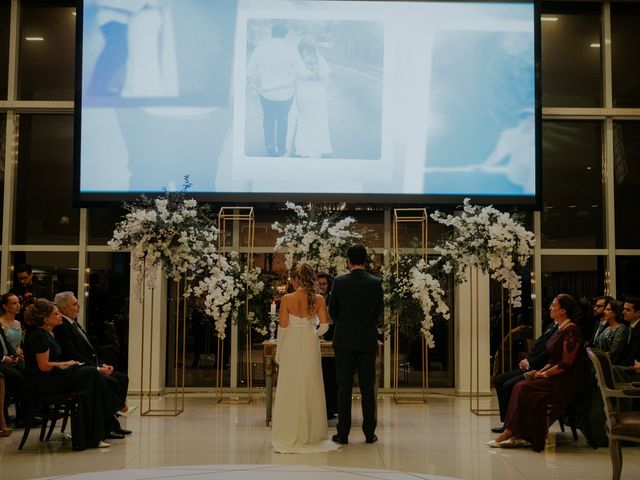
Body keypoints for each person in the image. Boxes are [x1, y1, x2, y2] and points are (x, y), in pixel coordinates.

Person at [488, 294, 586, 452]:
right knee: (520, 385)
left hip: (565, 380)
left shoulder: (571, 331)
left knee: (522, 387)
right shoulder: (559, 329)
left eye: (553, 305)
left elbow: (565, 364)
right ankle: (516, 432)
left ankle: (512, 432)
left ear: (563, 311)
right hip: (555, 374)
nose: (550, 308)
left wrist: (543, 375)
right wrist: (538, 371)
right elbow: (551, 360)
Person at [23, 299, 123, 450]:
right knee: (90, 374)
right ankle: (115, 408)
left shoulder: (48, 333)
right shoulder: (39, 336)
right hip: (45, 381)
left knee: (90, 379)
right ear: (46, 319)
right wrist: (64, 364)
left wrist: (67, 364)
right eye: (56, 314)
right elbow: (43, 366)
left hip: (54, 376)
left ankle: (97, 430)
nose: (60, 316)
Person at [271, 263, 339, 453]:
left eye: (292, 279)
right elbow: (325, 327)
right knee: (310, 385)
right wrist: (313, 334)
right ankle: (311, 434)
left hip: (291, 344)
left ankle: (288, 431)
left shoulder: (287, 298)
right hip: (310, 345)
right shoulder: (318, 299)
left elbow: (282, 328)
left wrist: (279, 350)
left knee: (290, 386)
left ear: (296, 279)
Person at [53, 292, 136, 426]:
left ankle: (112, 420)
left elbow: (90, 350)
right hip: (78, 369)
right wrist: (97, 368)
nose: (79, 306)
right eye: (74, 304)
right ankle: (113, 416)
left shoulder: (74, 323)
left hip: (90, 364)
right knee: (113, 381)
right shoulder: (62, 327)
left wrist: (102, 364)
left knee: (122, 378)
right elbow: (72, 354)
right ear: (63, 309)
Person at [329, 244, 383, 445]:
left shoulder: (339, 282)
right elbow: (378, 311)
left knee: (344, 388)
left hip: (343, 341)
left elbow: (332, 311)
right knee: (368, 388)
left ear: (348, 261)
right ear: (365, 260)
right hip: (367, 340)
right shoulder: (375, 283)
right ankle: (370, 433)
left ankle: (343, 433)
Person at [247, 23, 310, 157]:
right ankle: (281, 147)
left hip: (265, 93)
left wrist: (253, 85)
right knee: (283, 119)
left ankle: (270, 146)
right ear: (286, 35)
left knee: (268, 118)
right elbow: (303, 73)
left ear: (272, 33)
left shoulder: (259, 50)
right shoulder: (291, 51)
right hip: (285, 94)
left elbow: (251, 72)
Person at [491, 320, 558, 433]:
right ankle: (507, 422)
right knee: (499, 380)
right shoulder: (551, 325)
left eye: (554, 305)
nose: (551, 308)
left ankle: (512, 425)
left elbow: (547, 353)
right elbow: (538, 345)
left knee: (508, 385)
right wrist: (527, 359)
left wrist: (530, 363)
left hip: (540, 367)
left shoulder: (560, 329)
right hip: (532, 364)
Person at [582, 298, 628, 447]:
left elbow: (613, 352)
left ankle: (599, 433)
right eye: (606, 309)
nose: (605, 312)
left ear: (615, 313)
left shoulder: (621, 329)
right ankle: (590, 429)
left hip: (606, 368)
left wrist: (598, 363)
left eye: (608, 310)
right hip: (596, 366)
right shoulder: (607, 328)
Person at [294, 35, 332, 158]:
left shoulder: (297, 61)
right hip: (317, 94)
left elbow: (293, 79)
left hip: (303, 93)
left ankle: (304, 149)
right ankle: (318, 149)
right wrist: (328, 93)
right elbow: (327, 81)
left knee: (304, 120)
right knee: (319, 121)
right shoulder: (321, 60)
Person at [317, 271, 337, 419]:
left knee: (330, 375)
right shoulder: (311, 299)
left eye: (324, 284)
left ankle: (330, 408)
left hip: (331, 338)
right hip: (314, 339)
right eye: (319, 283)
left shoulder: (332, 299)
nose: (321, 286)